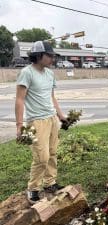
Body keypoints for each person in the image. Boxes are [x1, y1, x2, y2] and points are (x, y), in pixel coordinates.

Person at [15, 41, 66, 204]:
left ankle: (50, 183)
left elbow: (51, 97)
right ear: (38, 56)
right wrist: (19, 125)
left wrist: (60, 116)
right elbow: (19, 99)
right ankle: (33, 188)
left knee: (52, 152)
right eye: (49, 55)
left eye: (52, 56)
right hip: (36, 121)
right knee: (41, 157)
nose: (52, 58)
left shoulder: (50, 74)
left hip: (51, 119)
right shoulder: (26, 73)